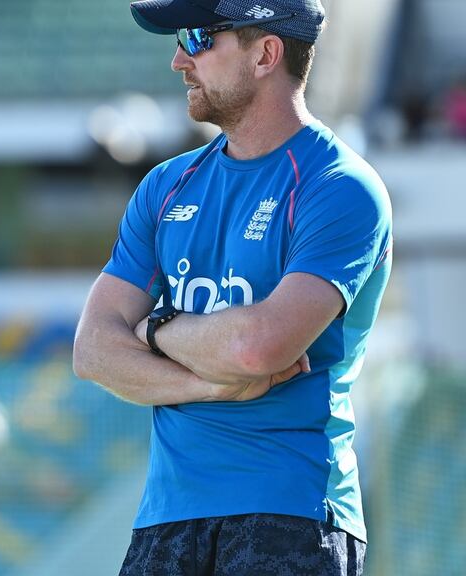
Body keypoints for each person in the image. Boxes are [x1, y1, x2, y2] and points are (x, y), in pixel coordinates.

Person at [73, 1, 392, 574]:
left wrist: (155, 328)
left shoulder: (341, 187)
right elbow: (93, 351)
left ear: (266, 54)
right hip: (164, 519)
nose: (177, 60)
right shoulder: (166, 185)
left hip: (292, 516)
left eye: (198, 38)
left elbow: (258, 348)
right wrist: (213, 387)